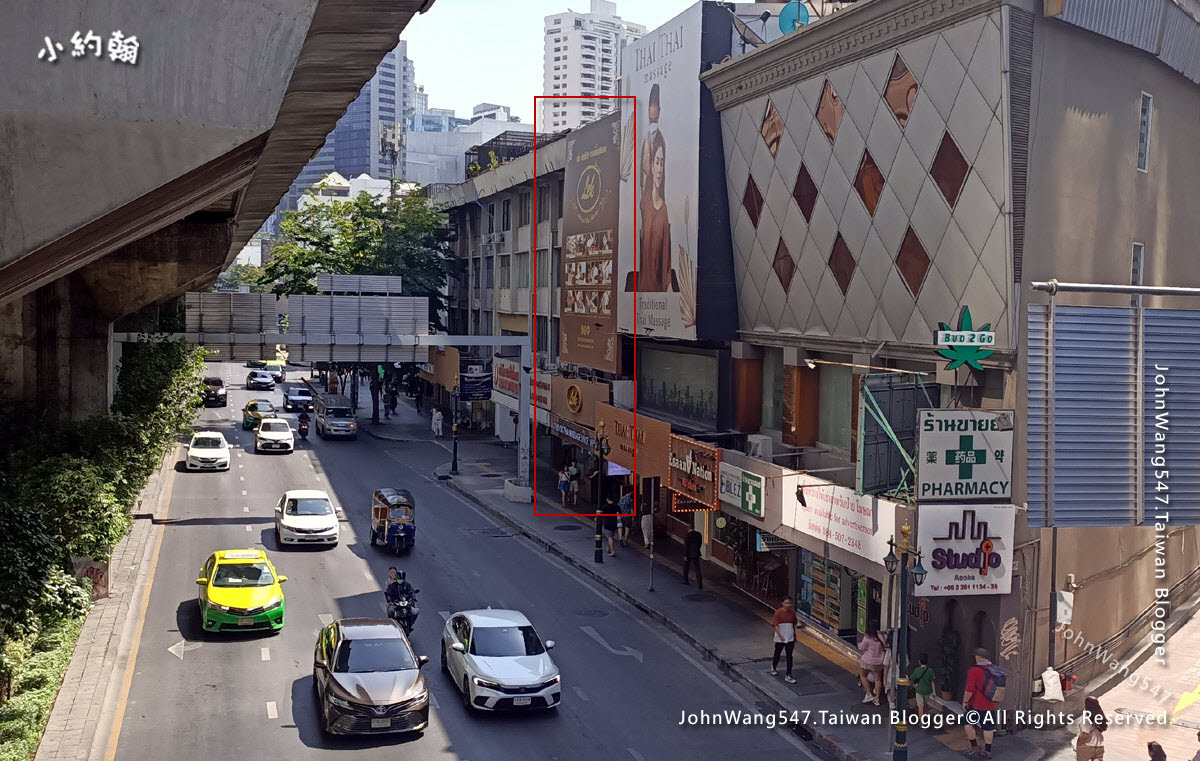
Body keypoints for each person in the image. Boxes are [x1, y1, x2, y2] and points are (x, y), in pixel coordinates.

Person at [963, 648, 1002, 758]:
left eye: (976, 656)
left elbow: (969, 688)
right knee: (988, 728)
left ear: (979, 658)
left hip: (975, 704)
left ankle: (974, 747)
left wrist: (965, 701)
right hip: (991, 704)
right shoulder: (995, 669)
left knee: (968, 723)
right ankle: (988, 751)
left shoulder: (973, 670)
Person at [770, 597, 798, 684]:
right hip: (780, 637)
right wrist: (780, 635)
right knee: (777, 653)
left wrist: (794, 635)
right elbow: (775, 625)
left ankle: (788, 675)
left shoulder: (792, 613)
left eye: (789, 603)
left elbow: (794, 624)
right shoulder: (778, 612)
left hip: (790, 637)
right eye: (786, 603)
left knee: (789, 655)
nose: (788, 605)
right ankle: (774, 666)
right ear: (782, 603)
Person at [857, 625, 885, 705]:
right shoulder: (883, 636)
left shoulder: (868, 638)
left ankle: (869, 694)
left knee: (863, 675)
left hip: (867, 661)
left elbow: (862, 647)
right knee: (878, 679)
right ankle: (877, 699)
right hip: (879, 661)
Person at [1074, 695, 1107, 761]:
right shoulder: (1100, 717)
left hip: (1087, 746)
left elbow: (1085, 735)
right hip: (1099, 746)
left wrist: (1079, 745)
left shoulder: (1086, 719)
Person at [910, 653, 936, 719]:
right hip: (927, 691)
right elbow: (932, 681)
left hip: (919, 690)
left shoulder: (917, 670)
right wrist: (934, 692)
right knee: (925, 705)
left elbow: (912, 678)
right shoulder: (930, 671)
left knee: (920, 706)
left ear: (919, 661)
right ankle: (924, 716)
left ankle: (921, 720)